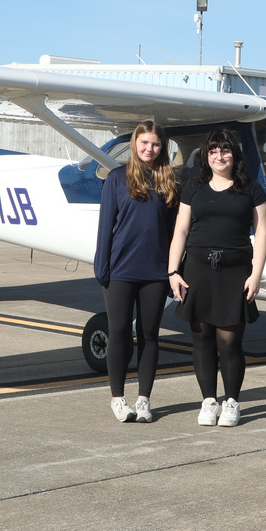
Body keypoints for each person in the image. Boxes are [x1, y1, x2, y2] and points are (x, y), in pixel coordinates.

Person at [168, 128, 266, 427]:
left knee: (229, 341)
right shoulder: (193, 188)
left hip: (235, 272)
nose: (219, 156)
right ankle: (208, 401)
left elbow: (261, 234)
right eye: (213, 151)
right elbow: (181, 231)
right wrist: (173, 271)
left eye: (224, 151)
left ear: (233, 154)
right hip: (197, 270)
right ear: (206, 156)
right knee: (201, 339)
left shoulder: (252, 189)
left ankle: (232, 402)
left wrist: (256, 274)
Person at [94, 120, 178, 423]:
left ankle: (144, 400)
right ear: (135, 144)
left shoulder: (168, 182)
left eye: (155, 144)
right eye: (144, 143)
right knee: (118, 334)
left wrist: (172, 272)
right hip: (120, 270)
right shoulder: (117, 178)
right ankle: (118, 398)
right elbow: (106, 227)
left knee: (149, 336)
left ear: (162, 147)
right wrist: (101, 267)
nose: (149, 149)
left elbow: (173, 233)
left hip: (155, 272)